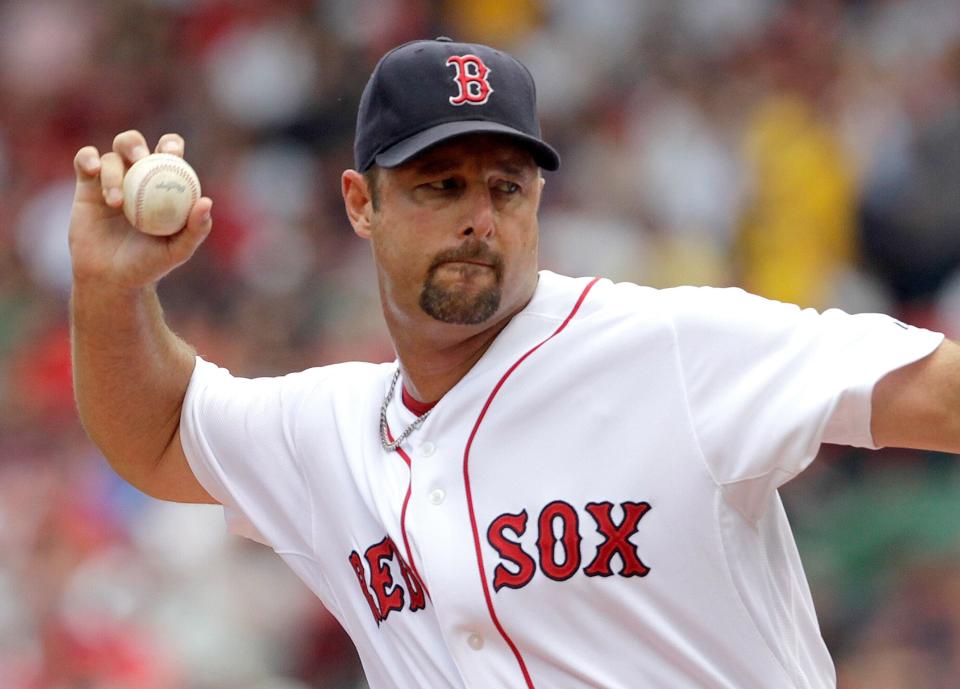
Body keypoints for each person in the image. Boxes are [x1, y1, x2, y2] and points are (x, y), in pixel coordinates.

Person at [69, 37, 960, 689]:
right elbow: (154, 434)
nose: (479, 218)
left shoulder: (667, 348)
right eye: (440, 184)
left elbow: (940, 394)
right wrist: (110, 292)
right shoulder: (328, 432)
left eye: (506, 186)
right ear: (360, 204)